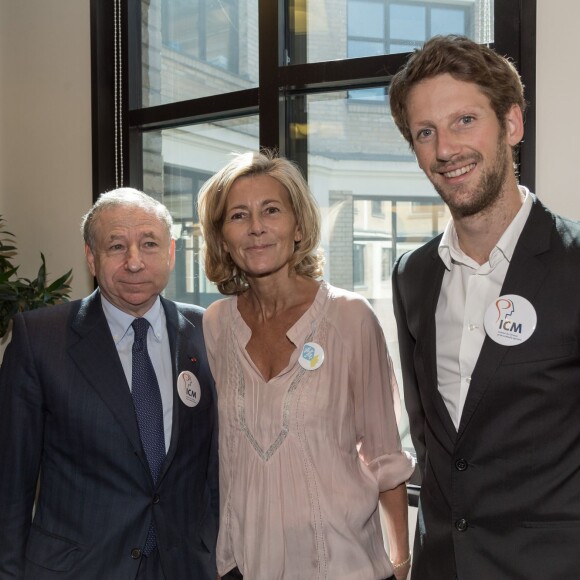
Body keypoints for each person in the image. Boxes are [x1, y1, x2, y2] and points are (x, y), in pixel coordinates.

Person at [389, 35, 580, 579]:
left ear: (512, 125)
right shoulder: (413, 274)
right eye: (425, 132)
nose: (445, 149)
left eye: (464, 121)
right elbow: (431, 439)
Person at [197, 150, 415, 580]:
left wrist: (401, 563)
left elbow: (385, 456)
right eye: (238, 215)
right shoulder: (215, 325)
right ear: (222, 237)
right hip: (245, 566)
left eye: (271, 210)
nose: (256, 227)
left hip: (345, 565)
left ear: (298, 227)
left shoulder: (350, 317)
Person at [0, 188, 218, 579]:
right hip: (80, 568)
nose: (134, 262)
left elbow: (218, 468)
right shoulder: (40, 340)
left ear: (170, 253)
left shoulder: (207, 330)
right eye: (116, 246)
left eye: (149, 244)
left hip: (185, 565)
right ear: (91, 257)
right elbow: (10, 485)